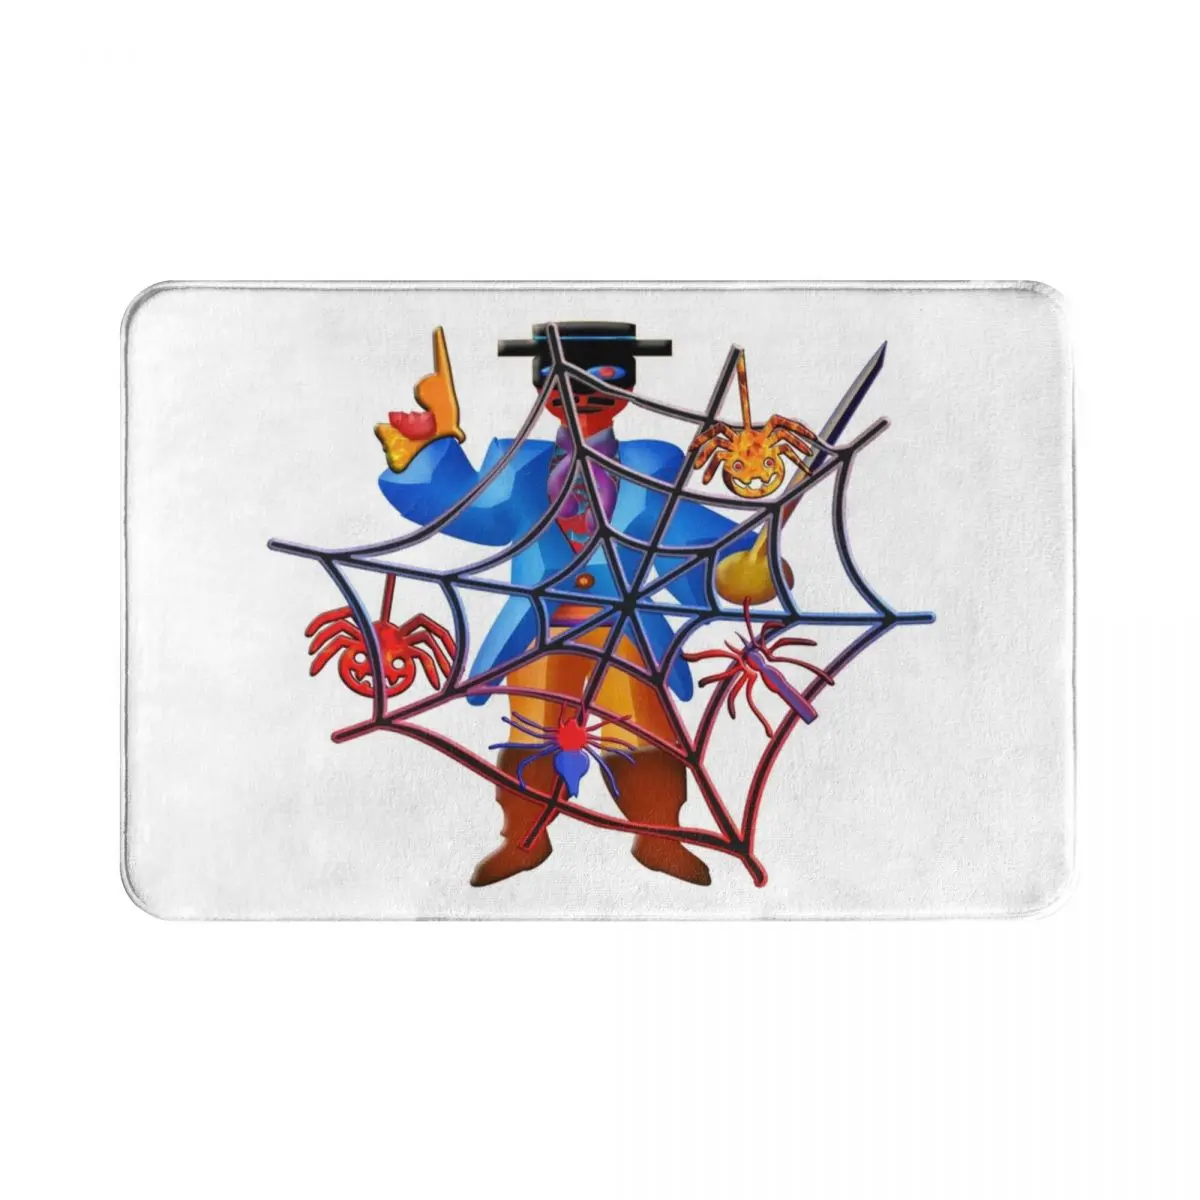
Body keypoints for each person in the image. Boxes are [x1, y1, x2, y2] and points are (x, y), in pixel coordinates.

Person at [375, 322, 780, 887]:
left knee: (646, 736)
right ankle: (524, 839)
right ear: (542, 389)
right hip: (538, 630)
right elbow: (465, 509)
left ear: (626, 389)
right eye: (561, 382)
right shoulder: (518, 464)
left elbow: (687, 533)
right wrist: (427, 450)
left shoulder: (652, 466)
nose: (583, 394)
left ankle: (660, 838)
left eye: (604, 378)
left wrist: (742, 567)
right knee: (530, 737)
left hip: (626, 629)